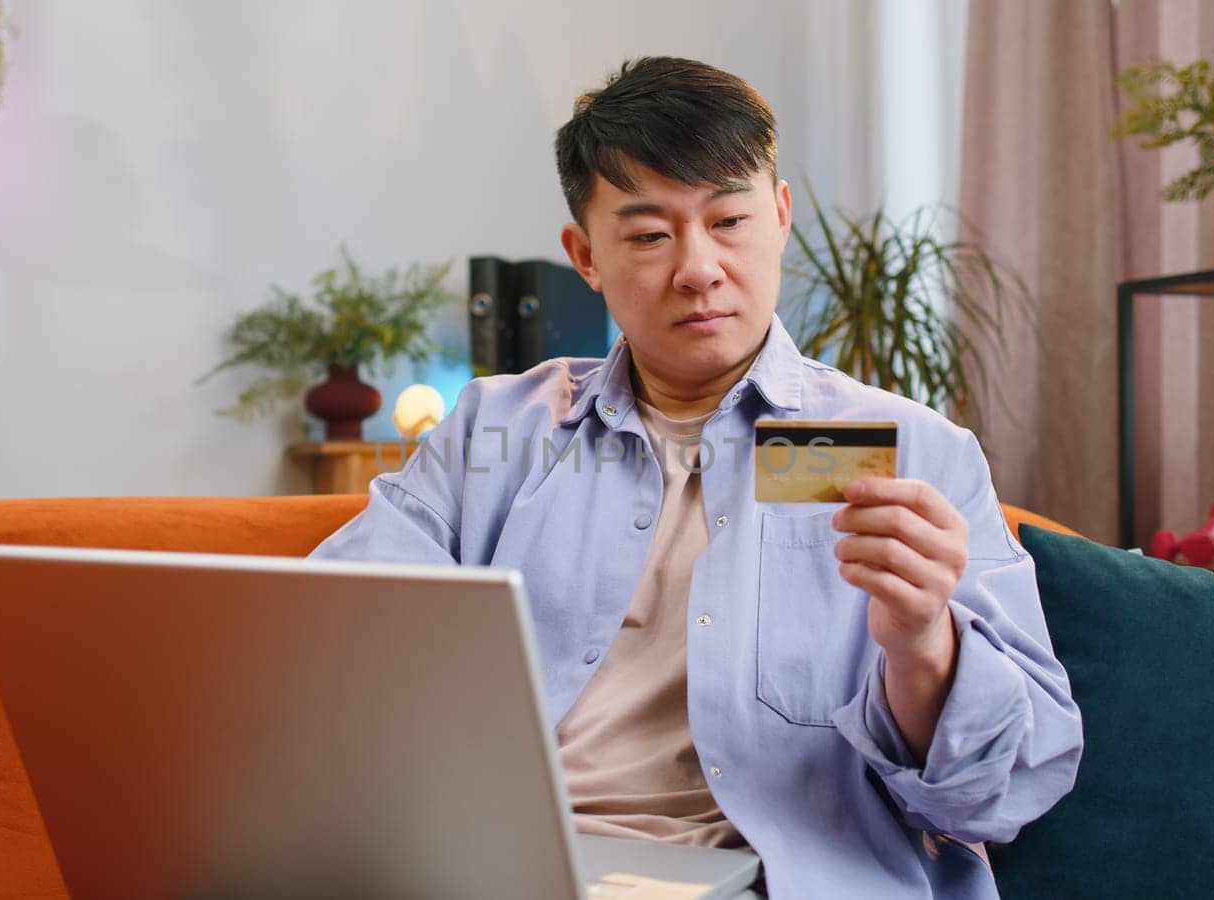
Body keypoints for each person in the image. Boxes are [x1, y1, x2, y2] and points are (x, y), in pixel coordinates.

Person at [310, 56, 1082, 899]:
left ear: (780, 218)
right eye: (648, 235)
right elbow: (337, 645)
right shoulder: (497, 432)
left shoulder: (904, 447)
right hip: (502, 864)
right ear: (586, 256)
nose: (698, 267)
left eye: (729, 221)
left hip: (774, 878)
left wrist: (922, 645)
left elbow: (1009, 791)